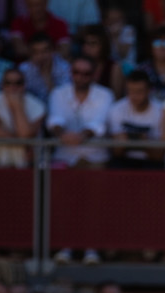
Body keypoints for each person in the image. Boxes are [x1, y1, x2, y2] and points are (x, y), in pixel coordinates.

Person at [49, 54, 113, 264]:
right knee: (65, 205)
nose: (81, 77)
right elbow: (55, 120)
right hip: (64, 158)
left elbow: (99, 124)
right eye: (76, 72)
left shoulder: (105, 94)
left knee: (93, 206)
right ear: (71, 73)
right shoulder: (58, 93)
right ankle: (65, 249)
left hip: (95, 159)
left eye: (86, 73)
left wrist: (80, 136)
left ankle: (91, 250)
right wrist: (62, 134)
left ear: (94, 75)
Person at [0, 67, 46, 167]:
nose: (13, 87)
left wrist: (17, 107)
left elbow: (25, 134)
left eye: (18, 83)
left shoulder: (38, 106)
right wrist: (22, 142)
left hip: (27, 162)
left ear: (24, 85)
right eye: (8, 83)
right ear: (2, 85)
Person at [107, 68, 164, 167]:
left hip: (150, 163)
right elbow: (116, 152)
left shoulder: (161, 111)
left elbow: (158, 155)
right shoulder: (116, 109)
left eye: (139, 91)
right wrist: (142, 141)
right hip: (123, 162)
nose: (134, 96)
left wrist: (140, 142)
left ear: (149, 91)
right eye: (131, 91)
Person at [19, 32, 71, 103]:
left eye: (45, 51)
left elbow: (63, 101)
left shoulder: (64, 68)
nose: (41, 56)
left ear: (53, 50)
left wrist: (46, 75)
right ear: (30, 53)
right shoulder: (23, 70)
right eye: (36, 52)